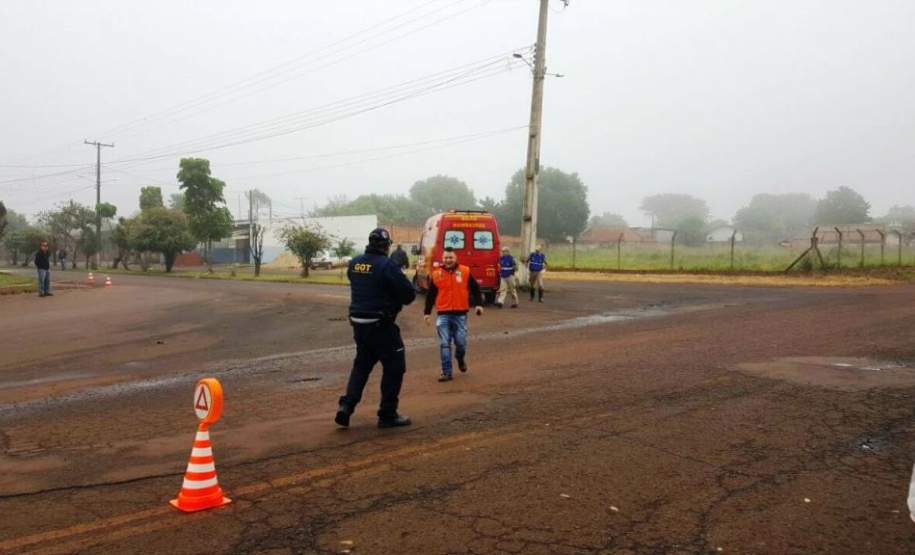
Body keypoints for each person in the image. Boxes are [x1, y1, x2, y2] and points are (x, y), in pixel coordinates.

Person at [336, 228, 417, 429]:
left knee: (362, 365)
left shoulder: (355, 263)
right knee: (395, 367)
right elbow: (408, 295)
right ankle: (387, 414)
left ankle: (346, 407)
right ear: (387, 245)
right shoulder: (387, 265)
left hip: (359, 324)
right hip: (381, 325)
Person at [423, 247, 484, 382]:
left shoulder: (465, 271)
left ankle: (460, 358)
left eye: (450, 257)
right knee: (445, 343)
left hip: (460, 315)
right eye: (445, 258)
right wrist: (427, 313)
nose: (448, 260)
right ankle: (446, 372)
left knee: (460, 343)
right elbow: (431, 295)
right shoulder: (436, 273)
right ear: (442, 259)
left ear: (455, 258)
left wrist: (479, 304)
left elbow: (475, 289)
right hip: (443, 314)